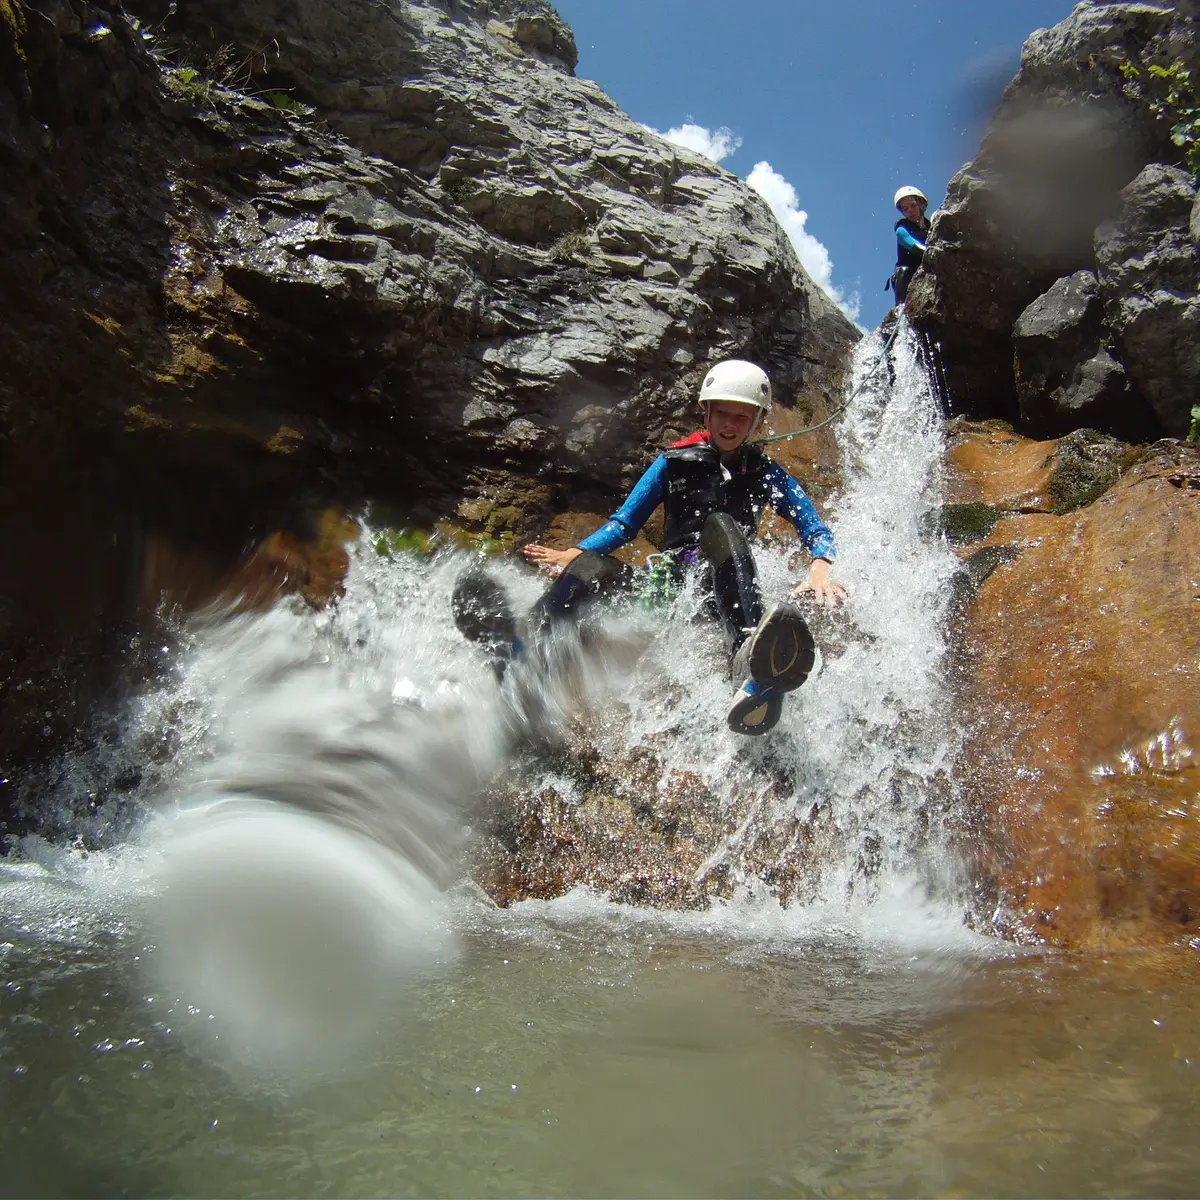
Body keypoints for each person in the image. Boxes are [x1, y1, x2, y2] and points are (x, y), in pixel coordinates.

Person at [452, 360, 847, 736]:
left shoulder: (764, 474)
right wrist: (579, 551)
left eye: (741, 417)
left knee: (720, 524)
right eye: (722, 413)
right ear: (705, 414)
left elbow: (811, 525)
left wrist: (820, 566)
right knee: (591, 565)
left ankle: (747, 652)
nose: (730, 424)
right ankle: (527, 653)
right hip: (669, 586)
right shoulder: (673, 463)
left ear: (757, 421)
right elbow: (624, 525)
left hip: (721, 593)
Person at [888, 185, 931, 306]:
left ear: (921, 205)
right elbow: (913, 245)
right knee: (903, 271)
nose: (910, 211)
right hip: (907, 275)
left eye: (912, 206)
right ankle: (900, 308)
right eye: (905, 209)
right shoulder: (902, 229)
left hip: (924, 269)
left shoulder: (931, 227)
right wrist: (932, 252)